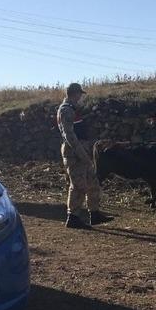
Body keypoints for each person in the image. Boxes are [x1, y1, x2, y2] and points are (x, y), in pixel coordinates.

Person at [56, 83, 112, 229]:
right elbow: (69, 135)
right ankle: (73, 217)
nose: (81, 96)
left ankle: (94, 213)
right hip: (74, 152)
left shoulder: (72, 109)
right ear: (73, 94)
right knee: (79, 185)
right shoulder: (66, 110)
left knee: (92, 182)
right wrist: (81, 153)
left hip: (82, 149)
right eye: (79, 93)